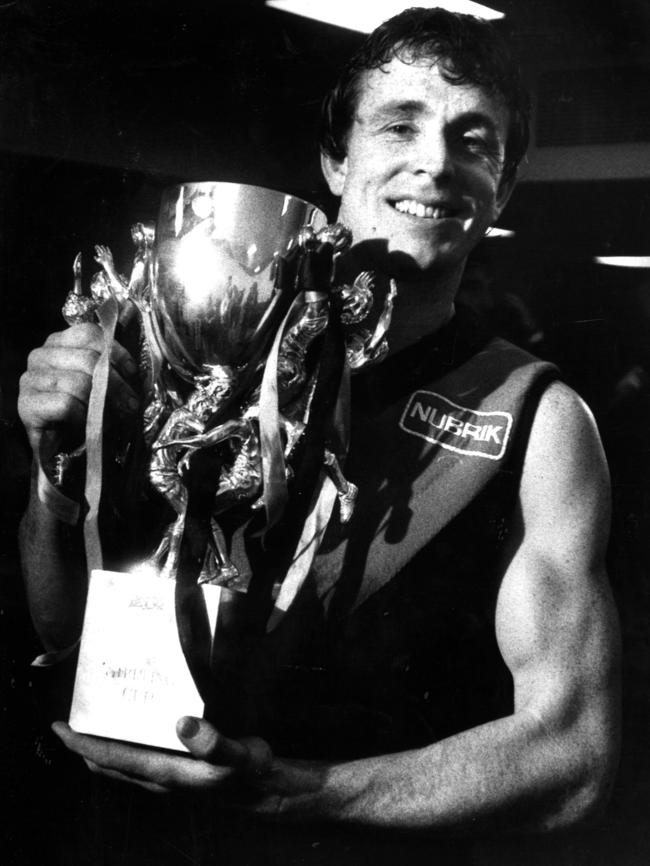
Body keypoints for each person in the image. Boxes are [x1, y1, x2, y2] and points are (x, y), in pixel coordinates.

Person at [17, 7, 620, 863]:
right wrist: (55, 475)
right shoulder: (185, 354)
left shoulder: (537, 417)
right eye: (399, 124)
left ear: (504, 185)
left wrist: (296, 796)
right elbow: (65, 633)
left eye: (473, 139)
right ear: (337, 159)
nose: (435, 162)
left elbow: (573, 755)